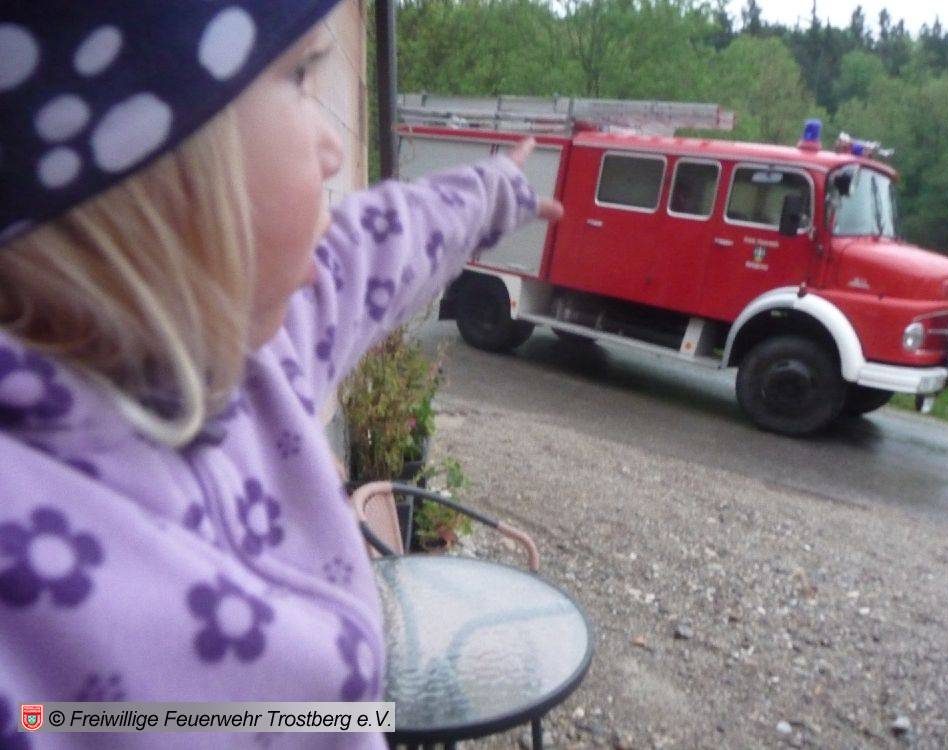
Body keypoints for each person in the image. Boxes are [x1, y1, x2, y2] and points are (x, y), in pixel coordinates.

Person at [0, 2, 562, 747]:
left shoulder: (248, 356)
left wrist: (490, 194)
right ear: (148, 169)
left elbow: (375, 246)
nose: (334, 150)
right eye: (299, 75)